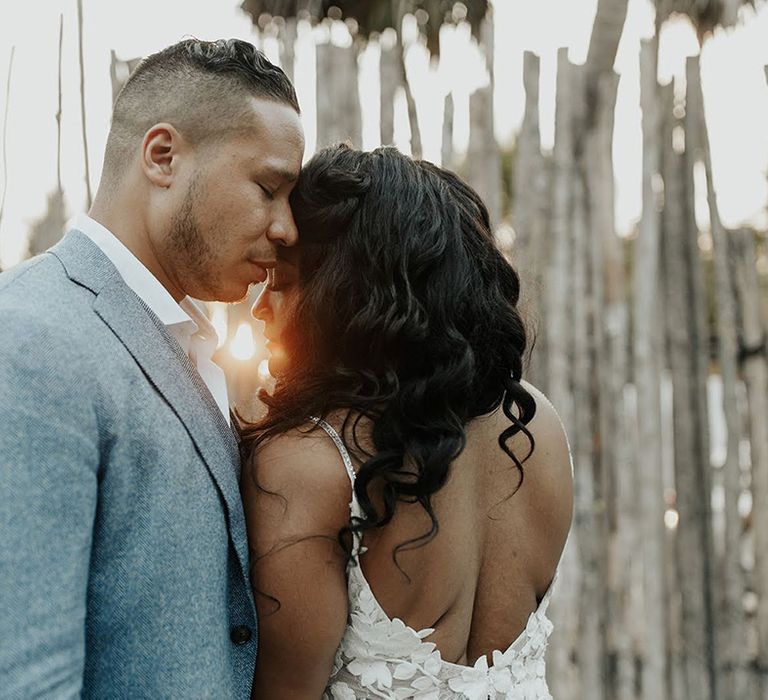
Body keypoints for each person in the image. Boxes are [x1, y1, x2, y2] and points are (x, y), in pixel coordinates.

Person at [0, 38, 304, 698]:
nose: (287, 229)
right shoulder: (31, 340)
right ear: (162, 157)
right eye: (268, 189)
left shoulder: (189, 340)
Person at [240, 144, 573, 699]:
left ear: (344, 295)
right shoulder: (537, 428)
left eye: (282, 281)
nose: (259, 308)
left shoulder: (309, 464)